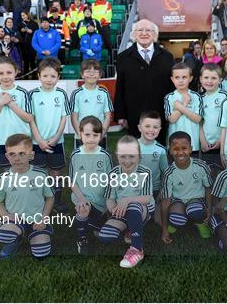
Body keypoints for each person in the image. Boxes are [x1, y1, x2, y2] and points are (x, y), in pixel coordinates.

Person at [0, 134, 54, 259]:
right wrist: (6, 217)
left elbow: (50, 197)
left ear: (31, 155)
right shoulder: (2, 179)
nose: (17, 158)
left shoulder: (41, 175)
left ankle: (34, 236)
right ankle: (16, 239)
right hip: (16, 221)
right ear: (7, 156)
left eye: (22, 153)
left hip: (37, 221)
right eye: (12, 154)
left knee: (41, 254)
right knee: (5, 235)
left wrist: (44, 218)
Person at [98, 136, 154, 268]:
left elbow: (146, 198)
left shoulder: (145, 172)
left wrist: (127, 200)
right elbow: (110, 198)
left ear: (139, 156)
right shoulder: (113, 173)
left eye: (132, 156)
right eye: (123, 156)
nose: (127, 161)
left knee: (133, 207)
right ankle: (130, 227)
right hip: (122, 210)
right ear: (117, 156)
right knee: (105, 236)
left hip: (142, 210)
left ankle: (137, 249)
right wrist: (113, 210)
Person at [114, 19, 174, 141]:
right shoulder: (123, 58)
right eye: (140, 30)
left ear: (155, 34)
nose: (144, 33)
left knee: (159, 150)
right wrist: (120, 115)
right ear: (134, 34)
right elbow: (120, 88)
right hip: (134, 114)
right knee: (136, 152)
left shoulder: (167, 57)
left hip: (160, 113)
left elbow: (171, 87)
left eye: (148, 30)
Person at [29, 58, 70, 215]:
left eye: (53, 76)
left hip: (56, 142)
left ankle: (57, 201)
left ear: (58, 77)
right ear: (39, 76)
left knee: (55, 172)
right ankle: (39, 201)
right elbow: (30, 119)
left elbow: (63, 118)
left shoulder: (61, 94)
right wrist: (39, 140)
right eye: (45, 76)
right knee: (38, 173)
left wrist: (54, 139)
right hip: (36, 142)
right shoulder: (32, 95)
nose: (49, 79)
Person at [70, 116, 113, 254]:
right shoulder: (75, 155)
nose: (91, 138)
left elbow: (111, 181)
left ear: (101, 136)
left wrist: (109, 202)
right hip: (82, 197)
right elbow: (72, 181)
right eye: (87, 134)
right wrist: (81, 198)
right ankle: (81, 239)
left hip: (101, 200)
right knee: (84, 209)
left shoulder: (105, 155)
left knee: (104, 234)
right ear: (80, 134)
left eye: (95, 135)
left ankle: (88, 223)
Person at [160, 131, 213, 243]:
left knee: (195, 211)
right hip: (178, 201)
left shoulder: (201, 166)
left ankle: (200, 223)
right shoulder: (169, 172)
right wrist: (164, 229)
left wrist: (209, 209)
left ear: (190, 149)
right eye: (176, 149)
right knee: (176, 218)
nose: (180, 152)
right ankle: (175, 222)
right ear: (170, 150)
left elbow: (208, 187)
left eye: (184, 148)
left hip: (197, 200)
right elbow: (166, 201)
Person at [0, 57, 33, 168]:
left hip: (22, 140)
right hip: (2, 140)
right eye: (1, 73)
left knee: (23, 170)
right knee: (6, 172)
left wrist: (11, 104)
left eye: (9, 72)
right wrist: (0, 104)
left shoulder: (23, 92)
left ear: (16, 72)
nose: (5, 76)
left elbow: (28, 118)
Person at [70, 59, 113, 150]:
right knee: (81, 163)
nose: (91, 74)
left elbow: (108, 116)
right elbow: (74, 117)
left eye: (95, 71)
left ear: (100, 74)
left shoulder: (104, 92)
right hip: (81, 137)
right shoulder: (76, 93)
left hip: (99, 136)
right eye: (88, 71)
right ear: (82, 74)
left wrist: (102, 133)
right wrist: (80, 134)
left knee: (100, 162)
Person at [164, 62, 202, 153]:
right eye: (177, 77)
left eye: (184, 77)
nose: (180, 80)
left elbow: (198, 119)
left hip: (192, 142)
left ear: (190, 78)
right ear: (172, 79)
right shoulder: (169, 97)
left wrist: (181, 107)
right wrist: (185, 104)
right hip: (175, 143)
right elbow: (172, 119)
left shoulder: (196, 96)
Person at [199, 63, 227, 176]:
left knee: (222, 174)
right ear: (201, 79)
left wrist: (221, 141)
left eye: (214, 78)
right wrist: (203, 141)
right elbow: (199, 122)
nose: (209, 81)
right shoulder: (200, 98)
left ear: (220, 80)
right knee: (207, 175)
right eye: (206, 78)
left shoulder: (225, 96)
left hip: (222, 143)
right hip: (206, 145)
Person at [137, 111, 169, 197]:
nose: (151, 130)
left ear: (159, 129)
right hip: (134, 188)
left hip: (154, 189)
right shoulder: (132, 146)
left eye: (155, 127)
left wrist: (164, 189)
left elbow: (165, 172)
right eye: (147, 126)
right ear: (140, 128)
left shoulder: (161, 150)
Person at [18, 11, 38, 77]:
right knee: (25, 62)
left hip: (32, 45)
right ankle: (25, 77)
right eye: (21, 16)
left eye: (23, 15)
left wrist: (32, 32)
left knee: (32, 62)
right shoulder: (20, 24)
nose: (22, 17)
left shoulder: (34, 23)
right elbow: (18, 34)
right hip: (24, 46)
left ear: (27, 15)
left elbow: (37, 33)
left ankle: (34, 76)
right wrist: (21, 31)